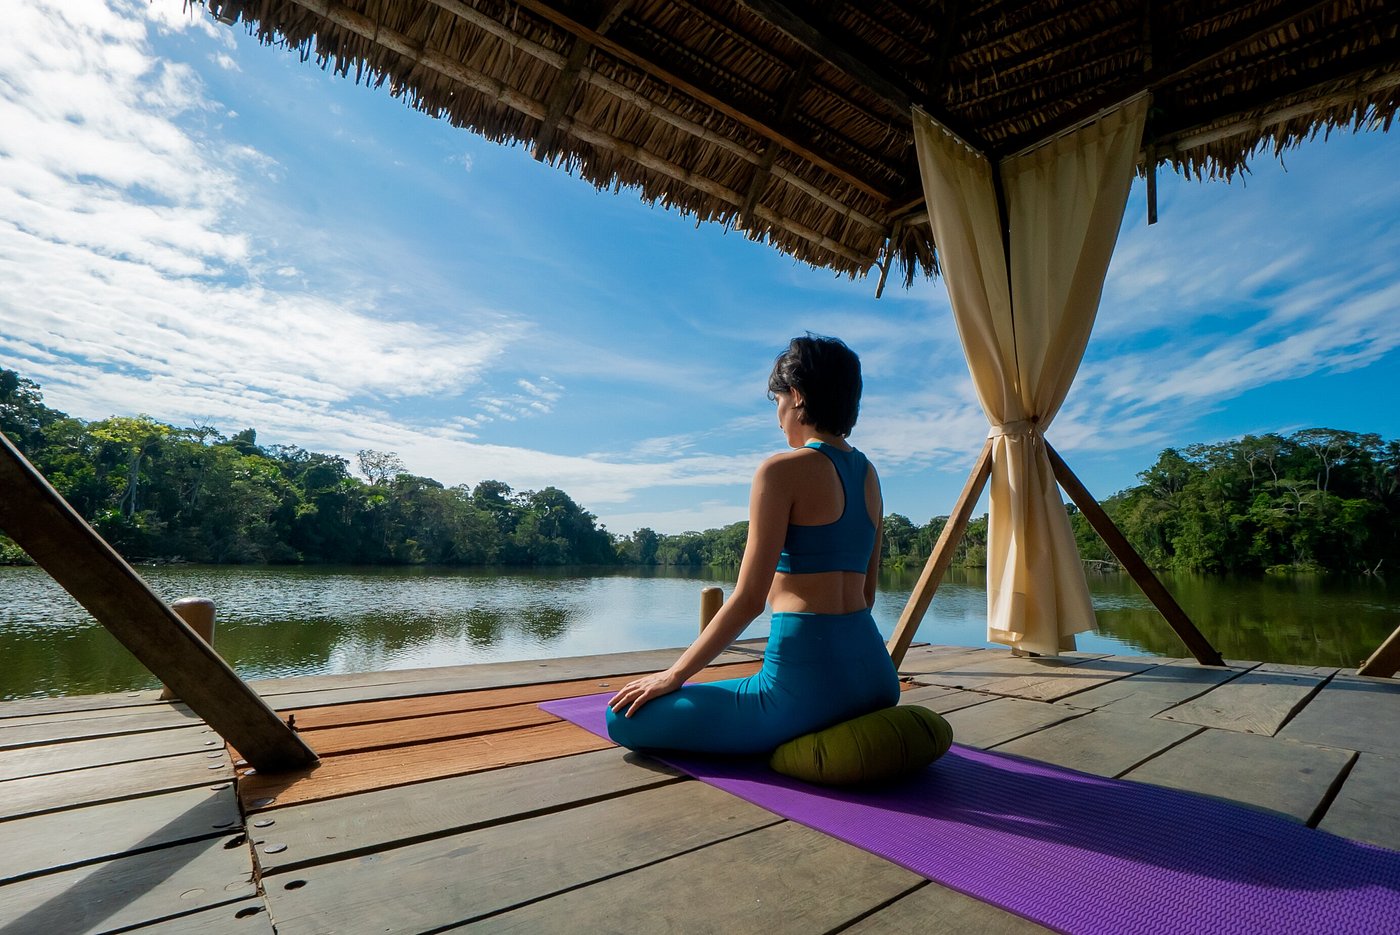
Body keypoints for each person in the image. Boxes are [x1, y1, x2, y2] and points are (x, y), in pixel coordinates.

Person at [606, 334, 900, 754]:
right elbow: (867, 597)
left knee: (622, 717)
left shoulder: (780, 471)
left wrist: (674, 675)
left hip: (803, 693)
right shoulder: (870, 475)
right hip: (876, 679)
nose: (778, 416)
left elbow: (748, 600)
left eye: (777, 401)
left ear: (797, 395)